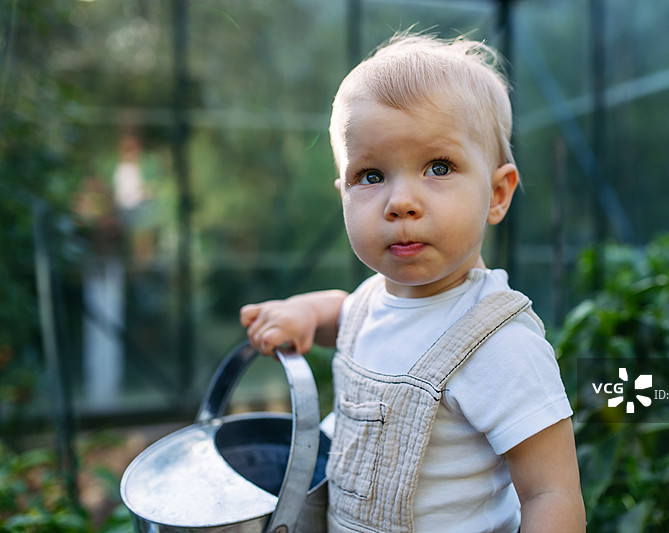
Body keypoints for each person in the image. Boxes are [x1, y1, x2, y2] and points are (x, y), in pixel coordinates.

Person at [240, 32, 585, 533]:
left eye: (437, 167)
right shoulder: (371, 301)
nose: (400, 201)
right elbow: (346, 314)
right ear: (343, 192)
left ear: (496, 194)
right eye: (371, 175)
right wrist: (304, 313)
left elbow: (551, 492)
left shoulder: (499, 344)